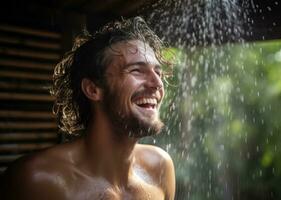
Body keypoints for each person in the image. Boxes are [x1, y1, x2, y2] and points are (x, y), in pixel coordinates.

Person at [0, 16, 175, 200]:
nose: (157, 83)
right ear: (93, 89)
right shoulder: (38, 181)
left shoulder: (160, 168)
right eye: (136, 70)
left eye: (158, 72)